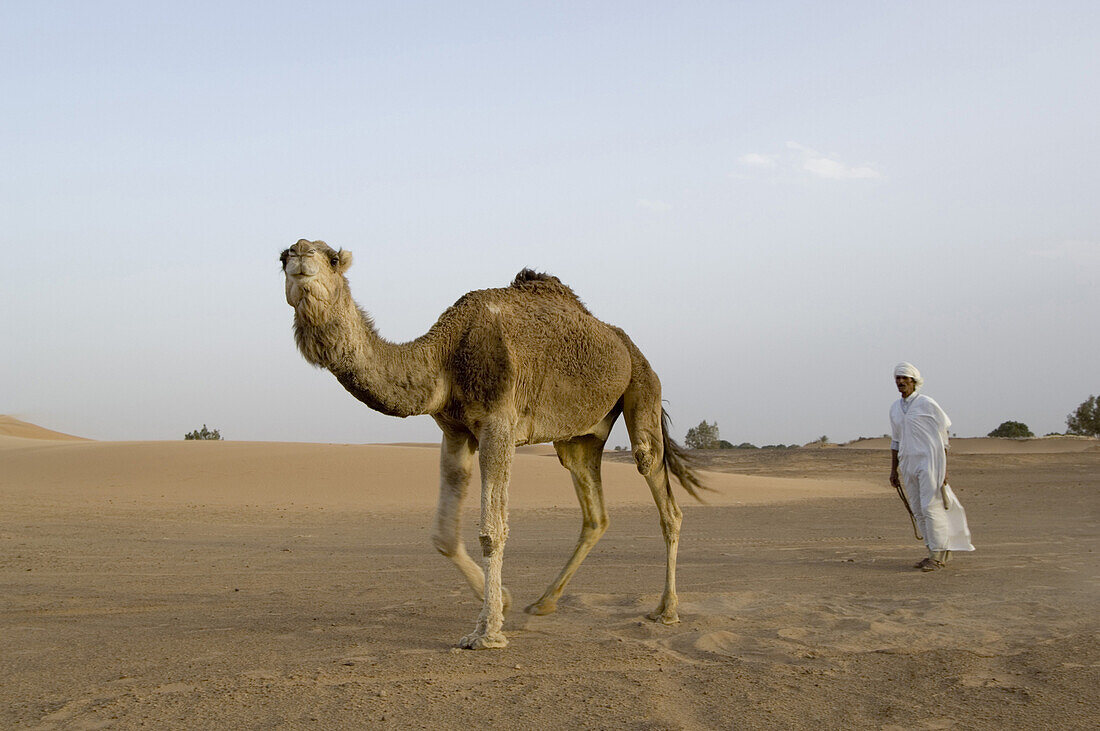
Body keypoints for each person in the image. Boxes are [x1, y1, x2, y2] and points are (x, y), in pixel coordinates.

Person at [889, 362, 974, 571]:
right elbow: (895, 441)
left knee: (931, 506)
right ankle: (934, 551)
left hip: (930, 462)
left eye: (904, 378)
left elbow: (943, 434)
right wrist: (893, 469)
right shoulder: (895, 409)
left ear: (914, 381)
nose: (900, 382)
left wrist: (943, 467)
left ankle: (937, 555)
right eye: (898, 378)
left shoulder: (926, 403)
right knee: (917, 509)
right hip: (908, 462)